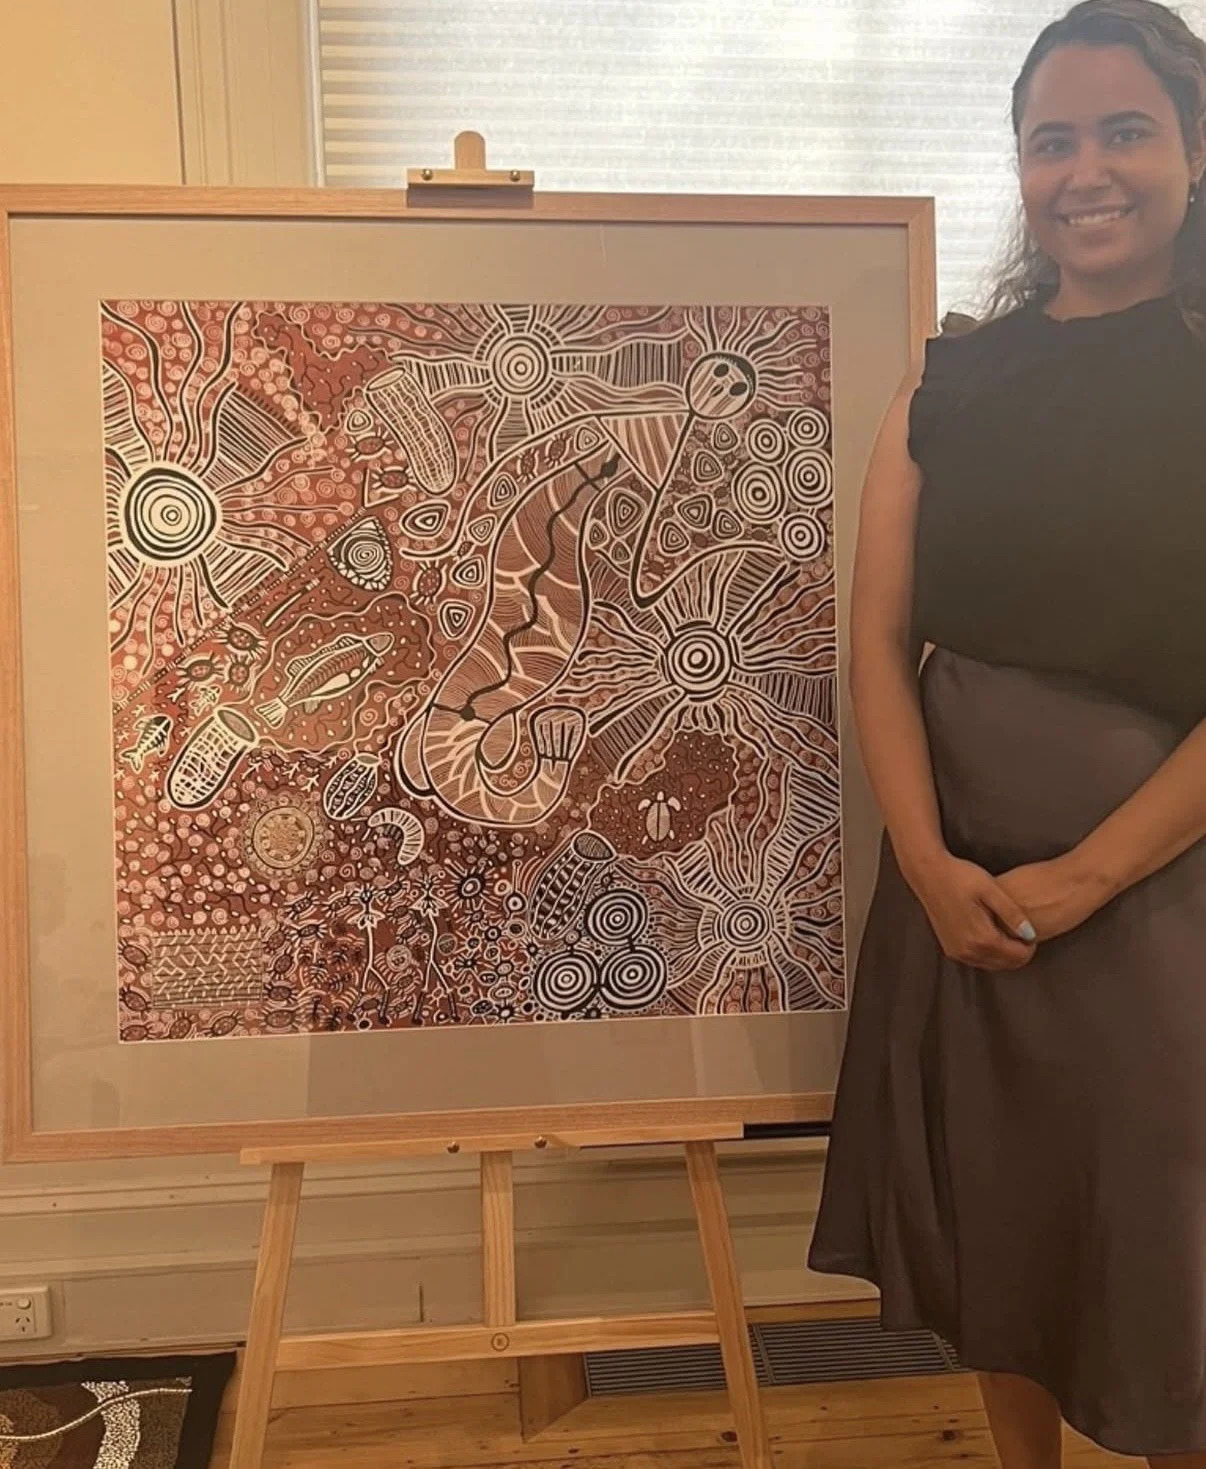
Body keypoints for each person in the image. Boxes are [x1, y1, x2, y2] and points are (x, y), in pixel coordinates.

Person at [806, 2, 1206, 1465]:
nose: (1084, 172)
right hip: (956, 892)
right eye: (1051, 142)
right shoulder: (950, 382)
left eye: (1125, 132)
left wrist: (1083, 880)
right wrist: (925, 863)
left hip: (1157, 898)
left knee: (1170, 1257)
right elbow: (874, 640)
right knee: (997, 1228)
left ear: (1195, 151)